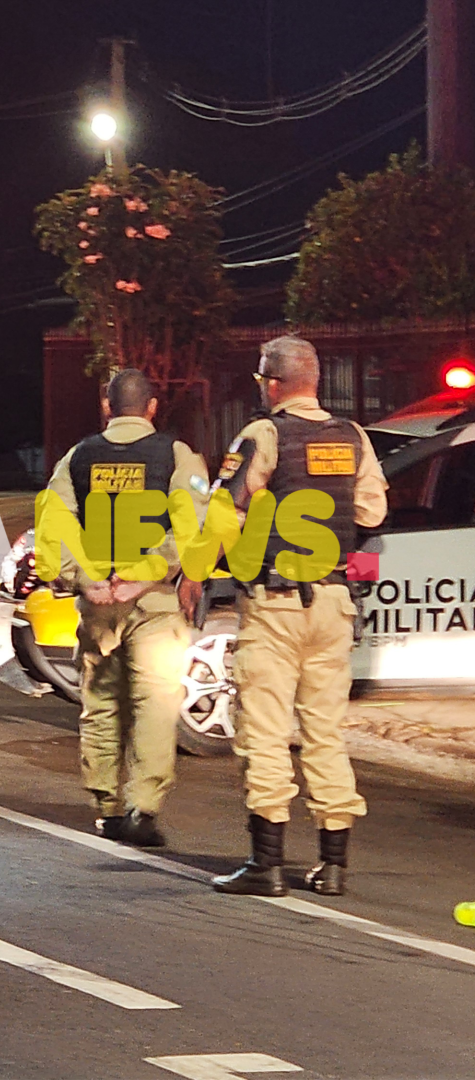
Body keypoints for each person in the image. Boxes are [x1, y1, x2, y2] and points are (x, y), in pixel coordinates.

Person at [195, 336, 387, 897]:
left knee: (266, 732)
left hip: (275, 605)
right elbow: (373, 509)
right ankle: (332, 866)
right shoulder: (352, 437)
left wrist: (198, 572)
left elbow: (224, 509)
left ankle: (266, 865)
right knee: (325, 731)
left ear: (272, 383)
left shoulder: (264, 434)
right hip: (332, 602)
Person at [42, 369, 209, 847]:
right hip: (152, 601)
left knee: (100, 703)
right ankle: (143, 809)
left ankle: (106, 808)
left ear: (107, 406)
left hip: (98, 606)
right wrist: (149, 572)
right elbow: (196, 523)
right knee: (154, 703)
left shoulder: (77, 458)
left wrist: (85, 579)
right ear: (152, 408)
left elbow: (54, 525)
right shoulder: (178, 457)